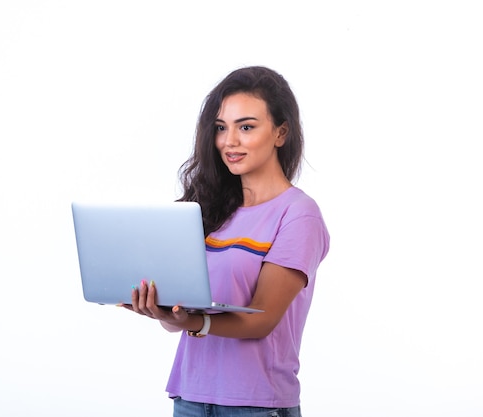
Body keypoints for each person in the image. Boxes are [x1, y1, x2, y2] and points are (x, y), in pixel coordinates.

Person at [122, 66, 330, 417]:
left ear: (281, 133)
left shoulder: (299, 214)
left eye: (246, 127)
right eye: (221, 128)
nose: (228, 141)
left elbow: (261, 319)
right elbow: (184, 315)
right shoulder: (206, 209)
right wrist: (163, 312)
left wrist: (191, 322)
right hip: (190, 397)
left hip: (256, 404)